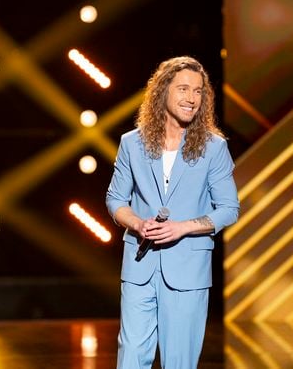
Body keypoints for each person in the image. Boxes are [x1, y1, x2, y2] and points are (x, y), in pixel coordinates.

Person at [106, 56, 240, 369]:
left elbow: (229, 209)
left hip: (187, 270)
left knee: (178, 362)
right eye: (183, 89)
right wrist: (138, 223)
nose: (192, 98)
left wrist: (183, 228)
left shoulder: (213, 147)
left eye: (198, 91)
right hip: (140, 267)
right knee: (130, 358)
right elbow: (115, 200)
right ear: (162, 91)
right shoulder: (132, 144)